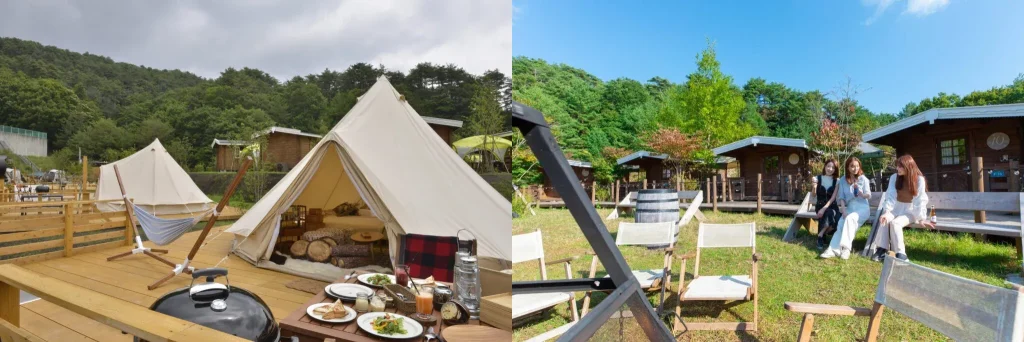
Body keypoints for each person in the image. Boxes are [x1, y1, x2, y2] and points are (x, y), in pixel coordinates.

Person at [871, 154, 934, 262]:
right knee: (884, 219)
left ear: (908, 166)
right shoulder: (894, 178)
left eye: (901, 166)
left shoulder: (919, 180)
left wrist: (920, 218)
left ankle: (901, 254)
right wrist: (886, 212)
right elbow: (890, 196)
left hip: (910, 211)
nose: (898, 169)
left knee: (895, 223)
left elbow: (920, 200)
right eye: (898, 166)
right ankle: (882, 249)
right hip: (896, 208)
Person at [820, 157, 872, 260]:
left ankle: (846, 249)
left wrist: (863, 194)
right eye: (852, 166)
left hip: (863, 208)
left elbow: (869, 195)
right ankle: (833, 249)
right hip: (850, 208)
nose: (855, 168)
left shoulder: (863, 179)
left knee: (850, 218)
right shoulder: (843, 180)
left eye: (857, 166)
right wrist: (843, 210)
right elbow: (842, 198)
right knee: (841, 222)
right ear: (848, 167)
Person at [811, 159, 841, 250]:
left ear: (835, 169)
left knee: (838, 221)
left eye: (833, 167)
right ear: (825, 166)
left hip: (832, 206)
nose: (830, 169)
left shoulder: (837, 181)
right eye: (828, 166)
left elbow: (832, 198)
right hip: (820, 205)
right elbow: (813, 195)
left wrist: (824, 209)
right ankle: (820, 237)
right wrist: (814, 186)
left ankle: (821, 234)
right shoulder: (818, 178)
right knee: (829, 213)